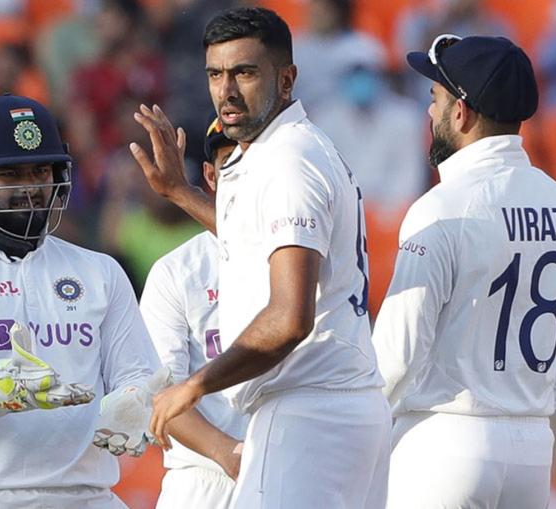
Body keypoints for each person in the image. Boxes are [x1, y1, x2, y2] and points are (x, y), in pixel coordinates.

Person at [129, 7, 392, 508]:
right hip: (337, 410)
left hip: (309, 414)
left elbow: (290, 318)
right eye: (215, 74)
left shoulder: (287, 160)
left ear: (287, 78)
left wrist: (195, 385)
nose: (226, 91)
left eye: (245, 72)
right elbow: (251, 241)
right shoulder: (290, 149)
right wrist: (181, 194)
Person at [0, 94, 161, 509]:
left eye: (40, 170)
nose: (30, 188)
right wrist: (5, 390)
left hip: (88, 495)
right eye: (10, 174)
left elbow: (137, 370)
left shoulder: (100, 271)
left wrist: (134, 400)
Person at [371, 35, 556, 508]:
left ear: (461, 112)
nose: (428, 112)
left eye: (435, 99)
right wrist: (533, 401)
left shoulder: (439, 208)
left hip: (443, 446)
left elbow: (395, 358)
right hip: (531, 454)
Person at [139, 117, 248, 509]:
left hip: (292, 469)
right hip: (204, 482)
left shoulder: (305, 260)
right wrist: (228, 454)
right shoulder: (176, 273)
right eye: (229, 163)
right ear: (210, 175)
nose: (243, 173)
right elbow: (162, 396)